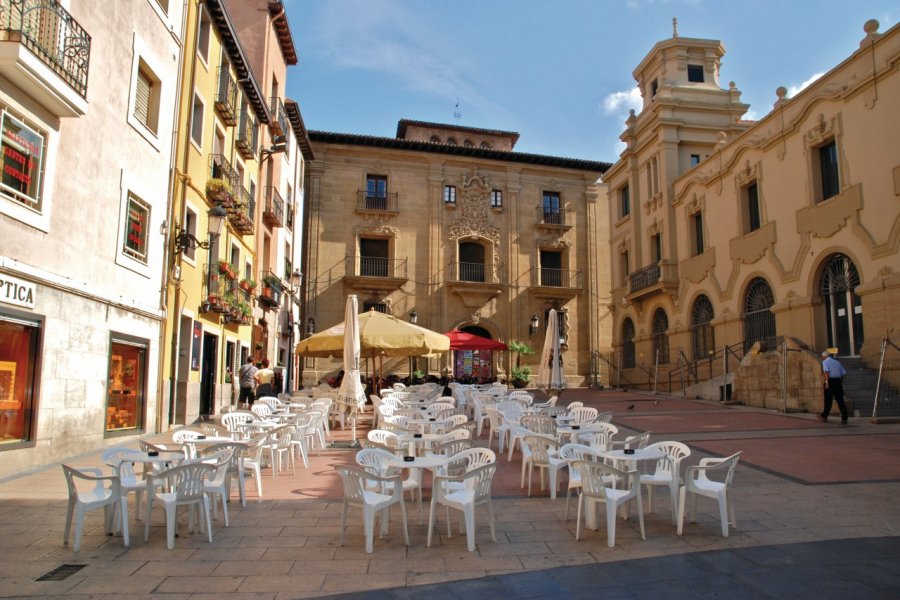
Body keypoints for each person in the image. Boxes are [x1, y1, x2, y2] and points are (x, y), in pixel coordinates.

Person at [819, 350, 848, 424]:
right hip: (838, 381)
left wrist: (826, 382)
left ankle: (824, 416)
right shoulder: (837, 362)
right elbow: (843, 373)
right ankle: (844, 417)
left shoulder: (825, 362)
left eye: (823, 358)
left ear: (824, 357)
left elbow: (826, 372)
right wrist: (840, 381)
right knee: (840, 400)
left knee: (828, 400)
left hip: (830, 381)